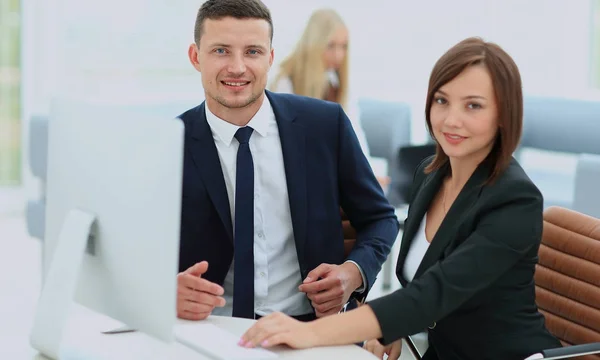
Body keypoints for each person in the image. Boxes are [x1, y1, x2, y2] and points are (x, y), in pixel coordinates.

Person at [239, 37, 563, 360]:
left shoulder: (515, 200)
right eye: (441, 100)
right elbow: (421, 283)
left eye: (473, 105)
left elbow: (433, 294)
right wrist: (393, 325)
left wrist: (306, 332)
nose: (451, 119)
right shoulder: (431, 174)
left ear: (504, 115)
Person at [176, 0, 399, 324]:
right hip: (208, 328)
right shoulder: (170, 140)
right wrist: (166, 291)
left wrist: (353, 274)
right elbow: (131, 248)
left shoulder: (325, 125)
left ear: (270, 57)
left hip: (310, 327)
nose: (237, 67)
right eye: (221, 51)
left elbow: (381, 219)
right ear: (196, 57)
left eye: (252, 51)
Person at [270, 9, 371, 159]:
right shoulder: (286, 83)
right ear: (315, 44)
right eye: (331, 46)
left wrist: (368, 172)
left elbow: (355, 130)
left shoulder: (336, 83)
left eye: (343, 46)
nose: (339, 55)